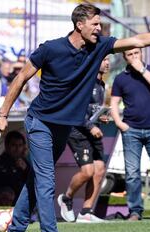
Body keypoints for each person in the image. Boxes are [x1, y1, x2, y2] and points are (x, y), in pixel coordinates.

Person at [0, 3, 150, 232]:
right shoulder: (51, 49)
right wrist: (2, 113)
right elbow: (22, 77)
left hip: (62, 126)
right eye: (95, 24)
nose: (99, 28)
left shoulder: (99, 45)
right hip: (40, 123)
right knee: (46, 182)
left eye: (100, 24)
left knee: (37, 180)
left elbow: (137, 39)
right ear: (79, 25)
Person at [111, 48, 150, 222]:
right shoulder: (120, 78)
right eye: (130, 55)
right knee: (132, 173)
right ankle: (135, 211)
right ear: (125, 58)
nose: (134, 57)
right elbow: (114, 103)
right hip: (131, 130)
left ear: (141, 54)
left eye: (136, 53)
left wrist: (142, 70)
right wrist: (119, 122)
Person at [57, 56, 110, 223]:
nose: (107, 63)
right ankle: (66, 198)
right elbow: (75, 109)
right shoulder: (85, 82)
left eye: (108, 59)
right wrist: (90, 126)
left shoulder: (101, 84)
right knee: (88, 171)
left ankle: (86, 212)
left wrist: (100, 118)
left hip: (92, 130)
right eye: (103, 59)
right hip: (78, 131)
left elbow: (90, 109)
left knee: (99, 169)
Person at [0, 131, 29, 205]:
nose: (17, 148)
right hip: (6, 202)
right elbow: (1, 183)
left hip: (23, 200)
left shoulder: (24, 161)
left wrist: (26, 169)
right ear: (7, 146)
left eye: (20, 145)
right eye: (14, 145)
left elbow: (33, 180)